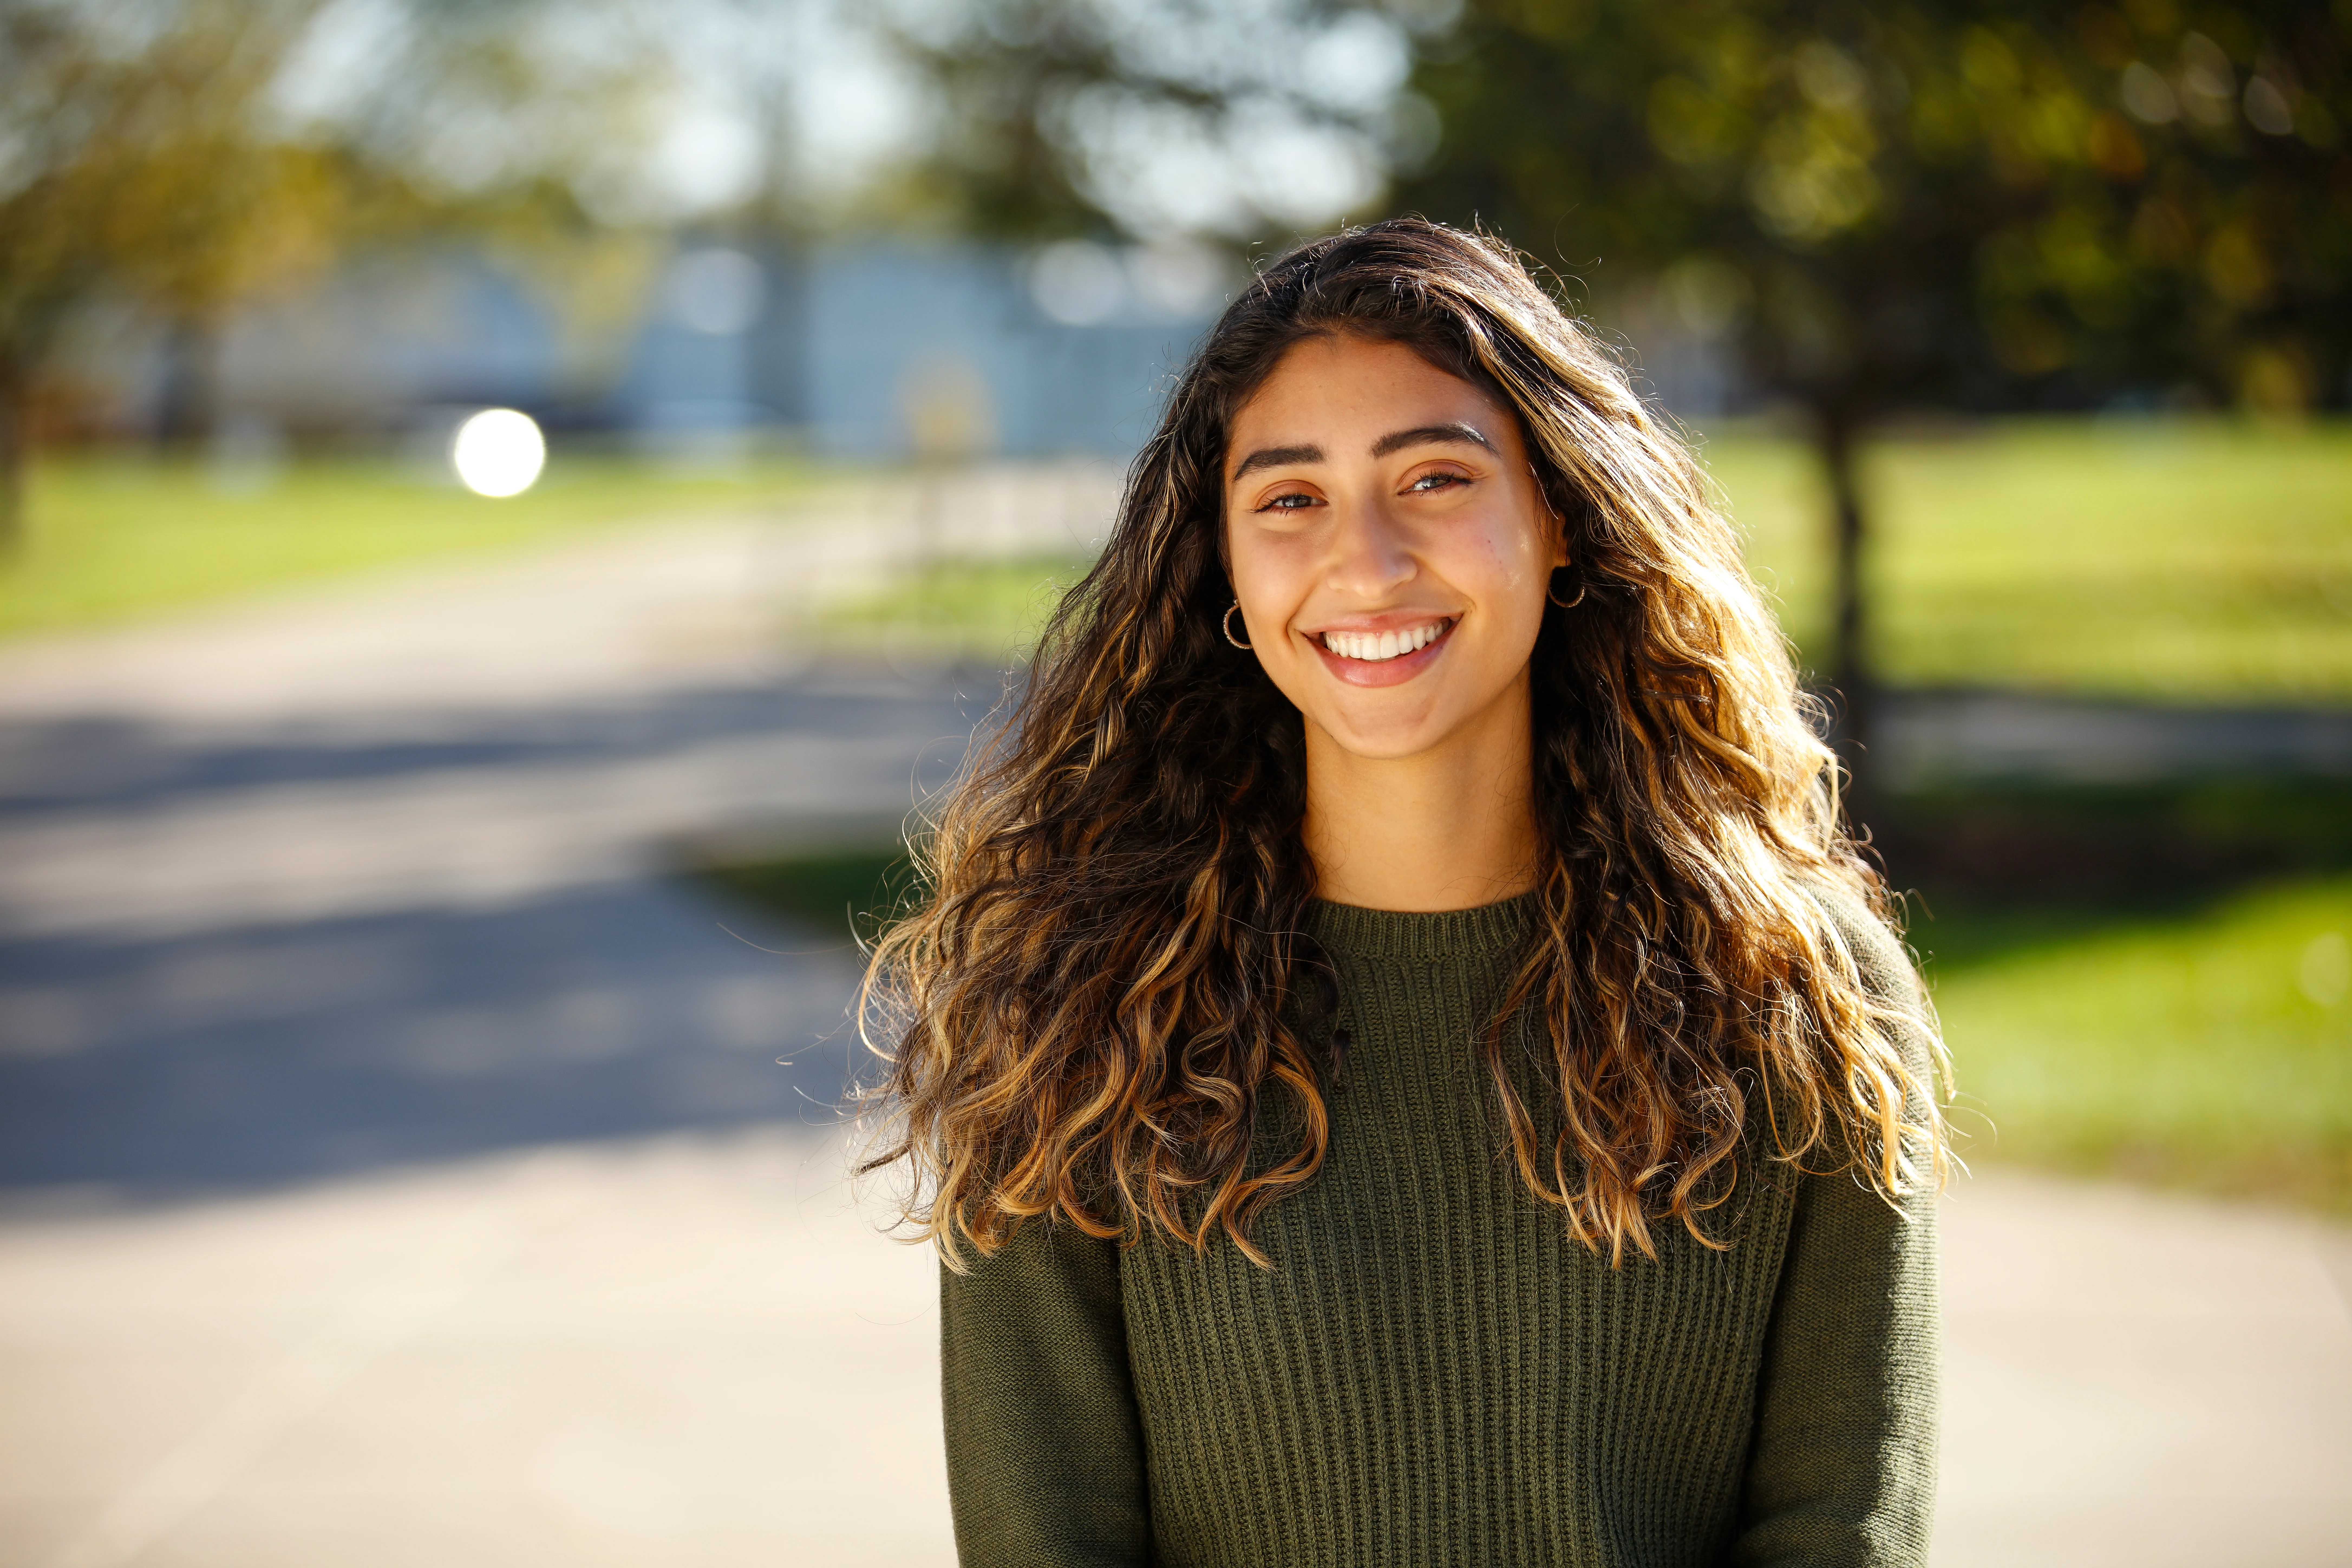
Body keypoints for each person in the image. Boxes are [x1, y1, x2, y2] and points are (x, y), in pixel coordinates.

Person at [860, 218, 1950, 1568]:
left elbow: (1842, 1522)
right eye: (1290, 496)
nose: (1365, 562)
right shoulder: (1073, 1014)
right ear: (1226, 569)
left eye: (1434, 477)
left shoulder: (1793, 989)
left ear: (1562, 518)